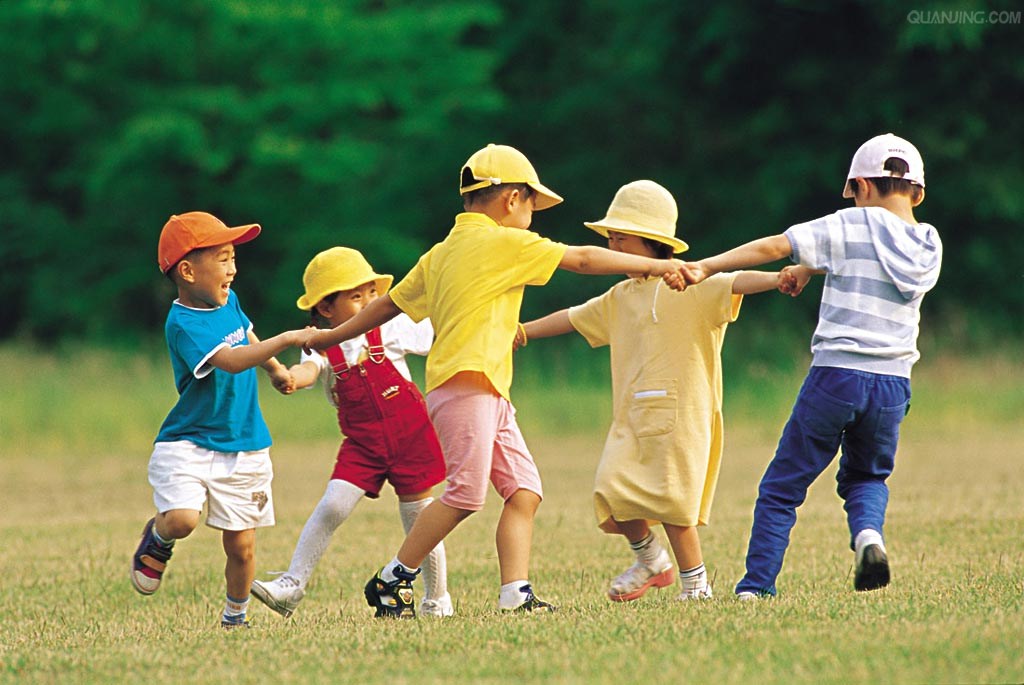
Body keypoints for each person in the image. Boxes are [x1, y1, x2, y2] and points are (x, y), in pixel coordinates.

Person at [301, 144, 687, 618]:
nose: (531, 214)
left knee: (524, 491)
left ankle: (515, 593)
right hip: (467, 385)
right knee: (465, 495)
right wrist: (656, 264)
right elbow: (583, 260)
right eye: (531, 204)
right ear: (511, 200)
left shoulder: (440, 253)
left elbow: (389, 305)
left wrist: (334, 335)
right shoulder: (506, 242)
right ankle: (392, 577)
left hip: (484, 388)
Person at [671, 133, 942, 597]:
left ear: (860, 185)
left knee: (781, 488)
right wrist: (811, 269)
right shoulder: (928, 244)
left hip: (837, 376)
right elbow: (871, 257)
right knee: (867, 476)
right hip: (894, 384)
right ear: (916, 192)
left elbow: (776, 246)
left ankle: (756, 587)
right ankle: (869, 537)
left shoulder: (849, 223)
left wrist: (706, 267)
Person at [519, 180, 782, 603]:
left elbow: (736, 282)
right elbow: (570, 317)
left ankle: (696, 585)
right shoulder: (620, 295)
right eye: (610, 240)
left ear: (653, 241)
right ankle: (651, 560)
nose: (613, 247)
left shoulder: (693, 281)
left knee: (675, 504)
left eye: (621, 238)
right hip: (632, 417)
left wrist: (779, 277)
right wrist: (521, 333)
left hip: (683, 415)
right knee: (612, 491)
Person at [251, 247, 452, 618]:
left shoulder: (390, 325)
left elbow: (438, 333)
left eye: (371, 293)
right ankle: (292, 585)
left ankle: (437, 600)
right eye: (356, 296)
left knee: (420, 520)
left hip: (411, 436)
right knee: (333, 505)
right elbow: (307, 372)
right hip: (363, 444)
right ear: (326, 309)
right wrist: (291, 379)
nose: (369, 302)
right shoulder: (320, 345)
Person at [130, 211, 309, 629]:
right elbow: (229, 361)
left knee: (242, 547)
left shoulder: (228, 300)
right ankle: (158, 537)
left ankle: (235, 619)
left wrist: (276, 369)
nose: (234, 267)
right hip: (188, 441)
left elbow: (246, 335)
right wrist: (288, 338)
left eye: (233, 257)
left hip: (244, 441)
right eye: (223, 258)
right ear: (189, 271)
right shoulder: (183, 323)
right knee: (181, 520)